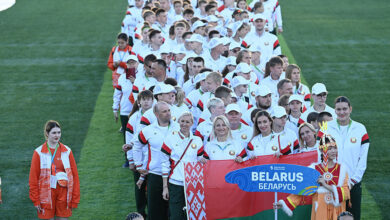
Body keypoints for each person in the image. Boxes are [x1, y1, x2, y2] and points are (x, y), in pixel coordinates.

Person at [275, 131, 350, 220]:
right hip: (320, 208)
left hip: (338, 210)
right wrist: (285, 203)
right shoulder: (314, 169)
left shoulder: (342, 169)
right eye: (329, 148)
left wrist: (325, 185)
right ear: (322, 150)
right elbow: (302, 189)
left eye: (335, 148)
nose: (333, 151)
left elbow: (346, 193)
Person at [133, 101, 180, 220]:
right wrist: (138, 165)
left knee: (175, 211)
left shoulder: (179, 128)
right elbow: (137, 145)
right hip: (155, 174)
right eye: (164, 111)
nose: (168, 113)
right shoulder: (147, 130)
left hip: (176, 175)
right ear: (156, 114)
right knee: (155, 210)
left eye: (169, 110)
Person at [327, 96, 370, 220]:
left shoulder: (360, 129)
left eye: (345, 109)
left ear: (350, 109)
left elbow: (363, 160)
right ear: (335, 111)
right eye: (338, 109)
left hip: (353, 184)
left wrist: (353, 181)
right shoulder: (326, 127)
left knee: (353, 217)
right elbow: (320, 154)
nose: (342, 112)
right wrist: (328, 178)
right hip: (332, 183)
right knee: (332, 216)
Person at [29, 120, 80, 220]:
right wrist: (36, 200)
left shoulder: (67, 151)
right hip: (46, 194)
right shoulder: (38, 153)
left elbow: (75, 176)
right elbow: (33, 179)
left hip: (64, 193)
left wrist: (75, 198)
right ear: (47, 134)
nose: (57, 135)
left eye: (59, 132)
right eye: (54, 133)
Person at [161, 112, 206, 220]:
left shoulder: (197, 140)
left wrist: (204, 160)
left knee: (194, 215)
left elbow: (199, 159)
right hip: (175, 182)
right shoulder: (170, 139)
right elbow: (164, 163)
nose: (184, 124)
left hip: (193, 183)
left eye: (187, 122)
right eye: (182, 121)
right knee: (176, 215)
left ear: (192, 123)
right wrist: (165, 187)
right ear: (178, 122)